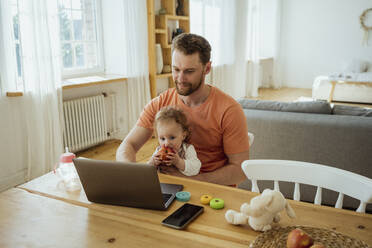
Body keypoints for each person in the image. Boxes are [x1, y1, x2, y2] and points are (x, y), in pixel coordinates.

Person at [116, 33, 250, 186]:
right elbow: (127, 146)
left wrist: (189, 180)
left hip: (211, 191)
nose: (180, 78)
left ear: (207, 68)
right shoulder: (161, 103)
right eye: (176, 69)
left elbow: (240, 171)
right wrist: (133, 176)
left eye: (189, 71)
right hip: (166, 186)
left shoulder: (229, 110)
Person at [149, 106, 201, 176]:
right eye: (162, 139)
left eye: (172, 137)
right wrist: (152, 162)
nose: (166, 144)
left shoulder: (187, 149)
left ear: (183, 135)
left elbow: (196, 169)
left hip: (182, 183)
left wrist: (179, 162)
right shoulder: (158, 151)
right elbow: (147, 171)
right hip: (163, 183)